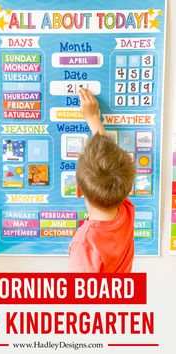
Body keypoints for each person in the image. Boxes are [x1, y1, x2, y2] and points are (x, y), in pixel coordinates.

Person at [68, 89, 136, 273]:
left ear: (78, 190)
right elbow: (109, 162)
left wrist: (92, 117)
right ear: (128, 188)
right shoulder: (125, 212)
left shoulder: (85, 244)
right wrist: (93, 119)